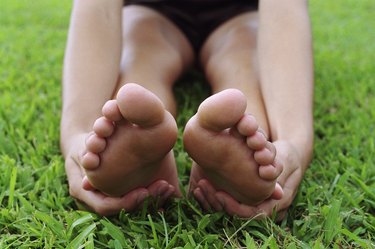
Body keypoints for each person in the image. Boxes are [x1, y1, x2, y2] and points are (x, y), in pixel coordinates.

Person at [60, 0, 314, 218]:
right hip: (150, 10)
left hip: (239, 14)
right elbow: (98, 8)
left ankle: (240, 147)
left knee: (243, 56)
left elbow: (283, 10)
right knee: (140, 58)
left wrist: (294, 141)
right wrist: (75, 132)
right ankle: (145, 135)